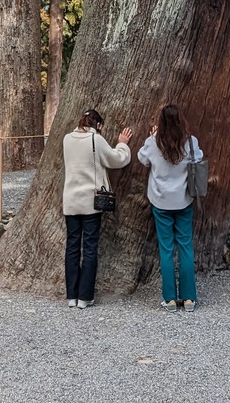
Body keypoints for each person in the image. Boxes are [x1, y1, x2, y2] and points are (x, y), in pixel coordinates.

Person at [63, 108, 132, 308]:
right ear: (98, 125)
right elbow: (117, 159)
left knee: (72, 247)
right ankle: (85, 297)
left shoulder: (67, 139)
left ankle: (71, 296)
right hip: (90, 202)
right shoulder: (96, 139)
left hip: (70, 200)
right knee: (90, 247)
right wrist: (122, 144)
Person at [138, 104, 202, 312]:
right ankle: (189, 298)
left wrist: (153, 135)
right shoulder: (190, 142)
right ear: (181, 120)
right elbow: (199, 159)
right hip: (183, 200)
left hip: (160, 201)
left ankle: (170, 299)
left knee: (166, 249)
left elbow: (142, 159)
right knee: (185, 247)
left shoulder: (153, 142)